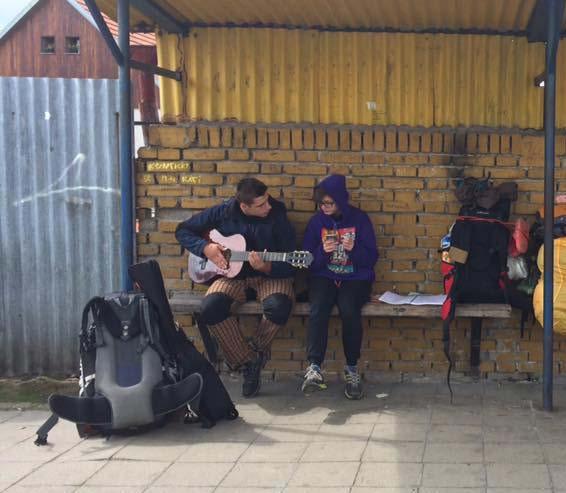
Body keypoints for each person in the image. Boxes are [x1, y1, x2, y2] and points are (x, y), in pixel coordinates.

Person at [175, 178, 296, 398]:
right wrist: (206, 248)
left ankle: (256, 351)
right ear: (244, 206)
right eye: (260, 205)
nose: (268, 206)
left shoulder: (277, 215)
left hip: (266, 277)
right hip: (230, 276)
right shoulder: (223, 212)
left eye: (267, 200)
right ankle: (247, 361)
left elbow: (291, 262)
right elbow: (183, 231)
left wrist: (268, 266)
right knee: (211, 307)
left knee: (279, 306)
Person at [301, 174, 378, 399]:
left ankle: (352, 369)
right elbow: (306, 260)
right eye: (322, 203)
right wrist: (322, 253)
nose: (324, 207)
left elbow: (371, 258)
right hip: (323, 276)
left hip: (355, 279)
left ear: (341, 201)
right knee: (318, 309)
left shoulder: (360, 219)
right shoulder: (317, 223)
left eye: (329, 203)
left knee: (349, 310)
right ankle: (314, 369)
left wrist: (353, 249)